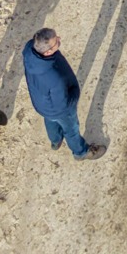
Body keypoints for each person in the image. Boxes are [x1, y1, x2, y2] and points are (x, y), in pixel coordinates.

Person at [23, 28, 104, 159]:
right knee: (71, 129)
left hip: (42, 104)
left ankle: (55, 140)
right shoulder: (55, 78)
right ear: (48, 51)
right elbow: (63, 105)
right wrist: (75, 95)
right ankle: (81, 152)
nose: (59, 39)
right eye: (57, 41)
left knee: (50, 120)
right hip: (58, 109)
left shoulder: (29, 49)